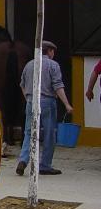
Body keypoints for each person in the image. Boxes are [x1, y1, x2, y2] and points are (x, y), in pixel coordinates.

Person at [16, 40, 73, 176]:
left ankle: (23, 159)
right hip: (47, 102)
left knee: (29, 132)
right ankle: (45, 165)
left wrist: (29, 99)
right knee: (49, 133)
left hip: (31, 101)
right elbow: (58, 86)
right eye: (53, 51)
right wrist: (67, 104)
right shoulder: (53, 65)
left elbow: (22, 85)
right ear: (50, 51)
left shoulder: (29, 65)